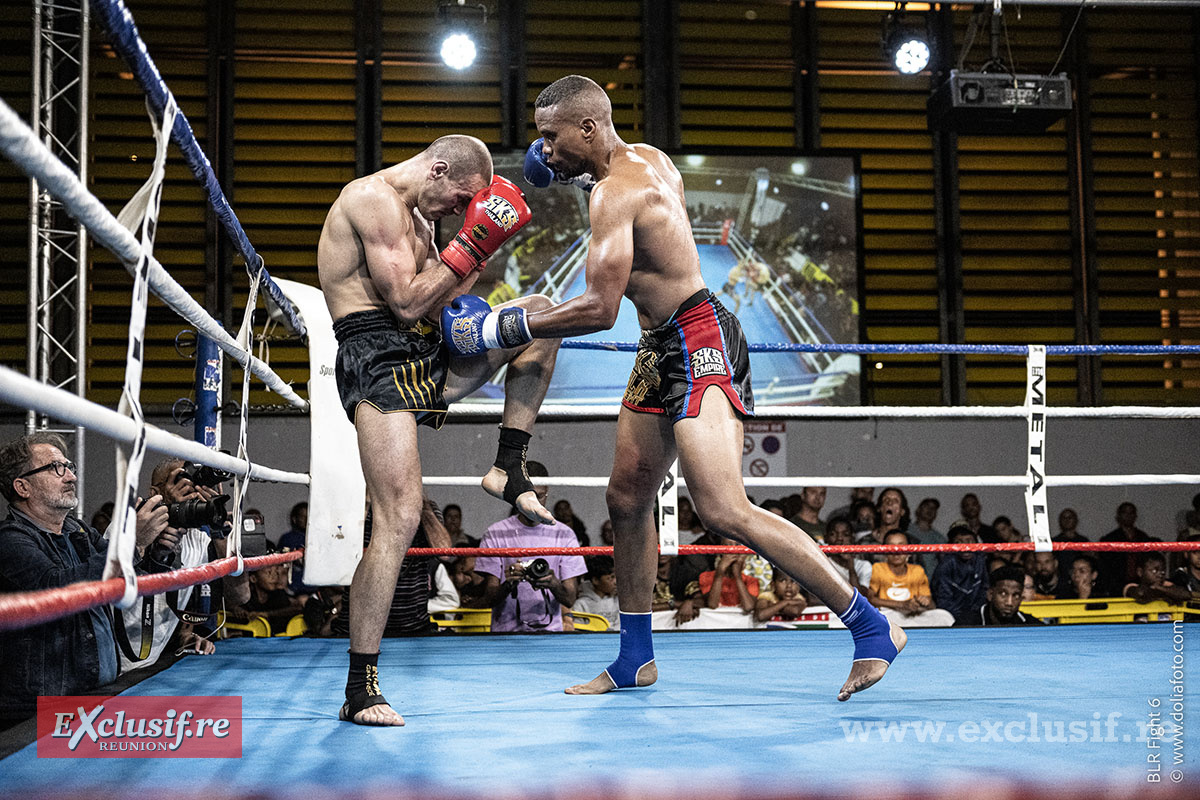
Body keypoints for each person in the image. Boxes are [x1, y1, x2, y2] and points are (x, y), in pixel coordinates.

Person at [449, 74, 904, 700]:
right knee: (627, 497)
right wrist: (577, 174)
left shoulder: (614, 192)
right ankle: (635, 655)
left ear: (587, 128)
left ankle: (871, 626)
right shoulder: (648, 159)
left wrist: (501, 323)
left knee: (722, 507)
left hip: (698, 339)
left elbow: (600, 307)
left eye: (551, 138)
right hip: (662, 342)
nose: (543, 152)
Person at [317, 134, 562, 725]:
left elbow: (441, 301)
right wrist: (472, 243)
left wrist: (478, 252)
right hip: (377, 355)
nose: (460, 211)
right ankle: (361, 687)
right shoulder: (371, 199)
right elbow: (402, 303)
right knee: (399, 517)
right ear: (439, 168)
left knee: (544, 317)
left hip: (429, 349)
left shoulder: (425, 226)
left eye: (468, 208)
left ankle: (508, 463)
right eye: (460, 199)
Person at [0, 433, 168, 724]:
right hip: (39, 710)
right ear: (22, 486)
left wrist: (159, 548)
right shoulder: (10, 540)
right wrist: (131, 543)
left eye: (69, 467)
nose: (70, 477)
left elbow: (131, 578)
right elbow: (59, 587)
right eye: (56, 468)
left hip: (96, 695)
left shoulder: (76, 531)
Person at [473, 462, 587, 633]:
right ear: (516, 493)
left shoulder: (565, 535)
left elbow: (570, 599)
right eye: (529, 497)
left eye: (539, 496)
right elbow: (489, 598)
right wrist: (509, 583)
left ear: (547, 491)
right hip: (504, 634)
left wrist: (553, 583)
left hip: (550, 634)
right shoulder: (495, 533)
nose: (534, 504)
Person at [866, 531, 954, 627]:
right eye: (891, 546)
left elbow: (931, 606)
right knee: (880, 618)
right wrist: (902, 604)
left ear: (909, 550)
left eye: (901, 546)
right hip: (889, 614)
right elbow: (870, 599)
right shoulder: (878, 568)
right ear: (884, 551)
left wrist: (924, 602)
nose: (896, 550)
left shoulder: (917, 570)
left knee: (944, 616)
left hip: (912, 615)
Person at [930, 524, 989, 625]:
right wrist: (963, 617)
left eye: (969, 541)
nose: (965, 546)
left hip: (975, 614)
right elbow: (943, 600)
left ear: (976, 542)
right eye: (959, 542)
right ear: (952, 545)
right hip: (950, 616)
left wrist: (974, 613)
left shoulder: (980, 561)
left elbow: (984, 591)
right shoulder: (946, 564)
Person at [956, 565, 1043, 626]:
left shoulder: (1031, 625)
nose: (1009, 603)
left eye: (1016, 595)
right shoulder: (966, 624)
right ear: (990, 594)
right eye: (1003, 594)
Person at [573, 555, 619, 630]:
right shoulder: (581, 604)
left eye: (616, 577)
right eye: (611, 578)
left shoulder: (619, 600)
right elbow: (578, 630)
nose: (615, 582)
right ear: (596, 580)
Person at [277, 501, 311, 595]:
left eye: (309, 516)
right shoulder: (288, 539)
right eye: (302, 517)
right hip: (293, 589)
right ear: (294, 519)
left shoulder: (316, 539)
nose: (306, 519)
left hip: (314, 589)